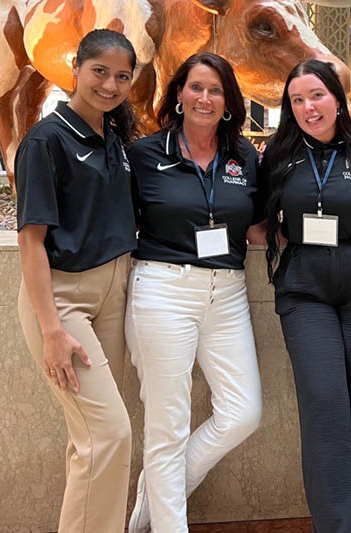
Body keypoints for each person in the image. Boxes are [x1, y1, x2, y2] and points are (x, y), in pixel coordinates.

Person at [262, 59, 351, 533]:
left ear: (338, 99)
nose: (308, 107)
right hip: (306, 289)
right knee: (325, 407)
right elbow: (259, 220)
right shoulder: (278, 154)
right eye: (297, 99)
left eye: (317, 96)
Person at [124, 52, 264, 533]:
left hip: (227, 292)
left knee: (244, 412)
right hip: (163, 289)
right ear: (179, 94)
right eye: (196, 87)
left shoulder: (244, 156)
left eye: (216, 90)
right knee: (168, 426)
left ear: (228, 102)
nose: (205, 98)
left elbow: (258, 226)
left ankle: (156, 494)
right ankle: (169, 523)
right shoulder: (145, 154)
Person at [15, 29, 137, 532]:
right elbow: (31, 241)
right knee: (109, 435)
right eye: (100, 72)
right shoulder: (45, 141)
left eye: (122, 76)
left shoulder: (114, 138)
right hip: (63, 298)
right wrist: (50, 330)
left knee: (89, 438)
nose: (110, 85)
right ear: (76, 69)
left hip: (113, 292)